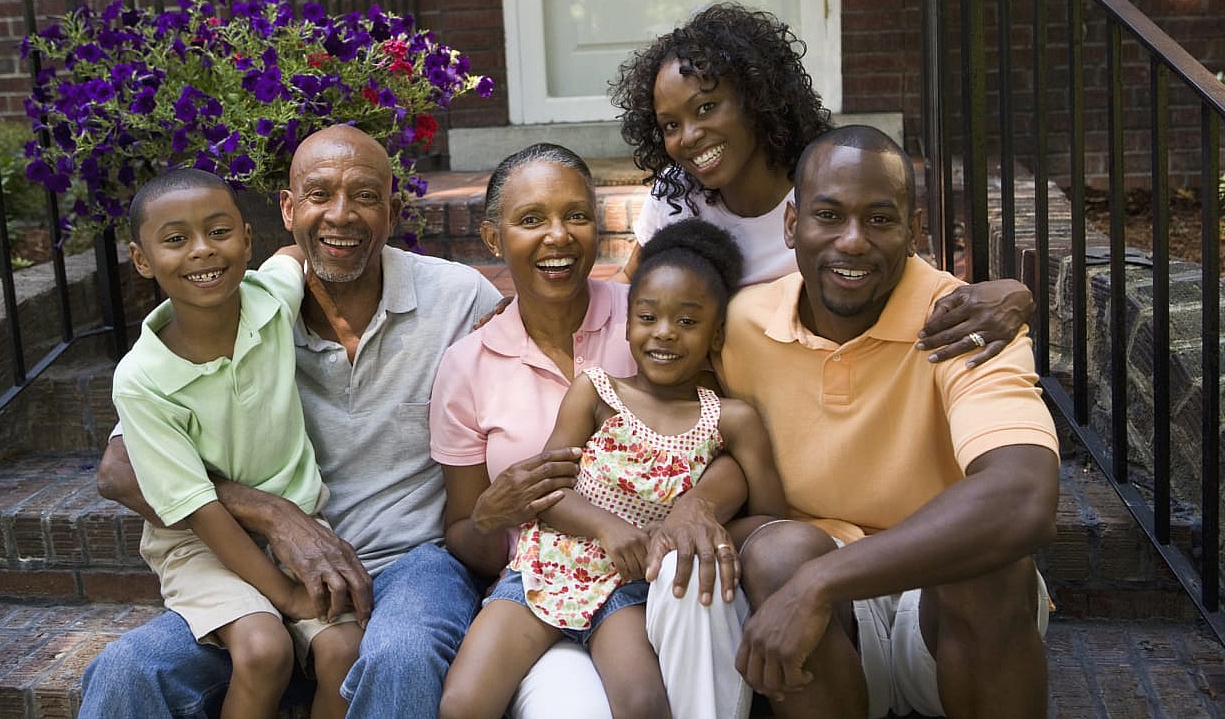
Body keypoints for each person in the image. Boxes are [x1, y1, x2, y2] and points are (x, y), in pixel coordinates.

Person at [82, 125, 505, 718]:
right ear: (287, 208)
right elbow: (121, 471)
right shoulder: (233, 312)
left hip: (408, 561)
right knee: (130, 670)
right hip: (257, 567)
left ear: (393, 209)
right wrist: (274, 514)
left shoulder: (459, 300)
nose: (341, 216)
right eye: (318, 194)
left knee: (401, 653)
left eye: (363, 195)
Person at [717, 125, 1060, 719]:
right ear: (792, 224)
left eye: (879, 219)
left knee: (986, 561)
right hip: (831, 630)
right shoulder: (743, 323)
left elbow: (1025, 497)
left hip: (948, 613)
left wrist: (818, 583)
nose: (852, 242)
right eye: (829, 215)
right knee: (777, 554)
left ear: (915, 230)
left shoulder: (966, 322)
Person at [430, 144, 756, 719]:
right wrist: (492, 512)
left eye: (576, 215)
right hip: (532, 582)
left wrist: (700, 502)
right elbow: (465, 533)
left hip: (636, 590)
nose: (558, 235)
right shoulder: (467, 364)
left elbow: (717, 430)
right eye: (531, 220)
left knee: (639, 702)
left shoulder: (654, 316)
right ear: (491, 239)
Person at [610, 1, 1035, 364]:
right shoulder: (676, 196)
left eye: (706, 108)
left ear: (755, 96)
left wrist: (1015, 294)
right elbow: (623, 296)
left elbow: (906, 279)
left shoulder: (826, 189)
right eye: (670, 124)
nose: (688, 136)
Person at [115, 167, 361, 719]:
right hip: (198, 545)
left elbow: (295, 255)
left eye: (219, 231)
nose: (203, 251)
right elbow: (198, 508)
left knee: (345, 650)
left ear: (247, 239)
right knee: (263, 648)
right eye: (176, 240)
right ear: (142, 259)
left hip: (301, 528)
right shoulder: (143, 379)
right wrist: (286, 596)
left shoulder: (270, 298)